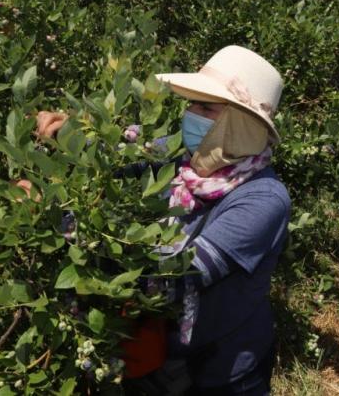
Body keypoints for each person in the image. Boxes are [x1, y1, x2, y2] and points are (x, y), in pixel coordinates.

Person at [33, 45, 291, 395]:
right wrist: (69, 133)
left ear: (240, 125)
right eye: (192, 104)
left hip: (227, 371)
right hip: (169, 358)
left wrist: (56, 220)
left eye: (205, 107)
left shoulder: (263, 200)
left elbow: (176, 274)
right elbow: (122, 159)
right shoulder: (187, 158)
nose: (190, 113)